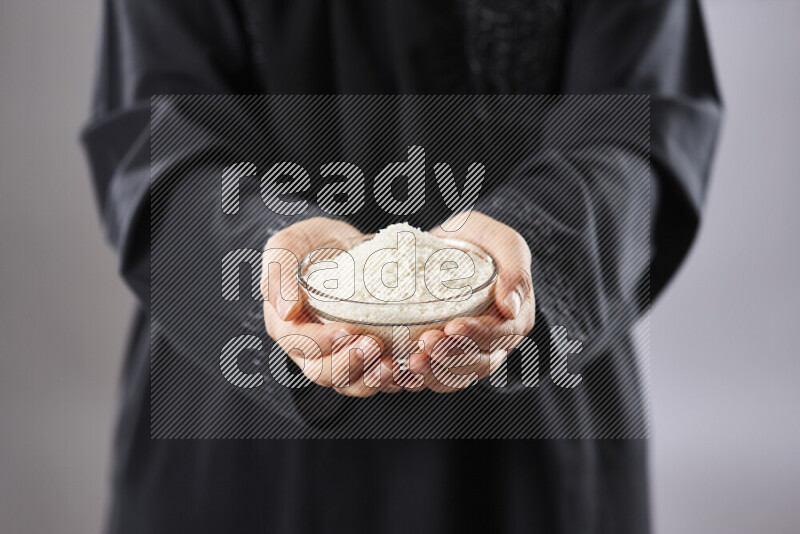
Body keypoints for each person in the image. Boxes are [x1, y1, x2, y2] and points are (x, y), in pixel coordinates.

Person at [82, 0, 721, 532]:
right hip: (241, 425)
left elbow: (642, 120)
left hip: (523, 412)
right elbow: (153, 132)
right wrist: (264, 260)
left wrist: (531, 242)